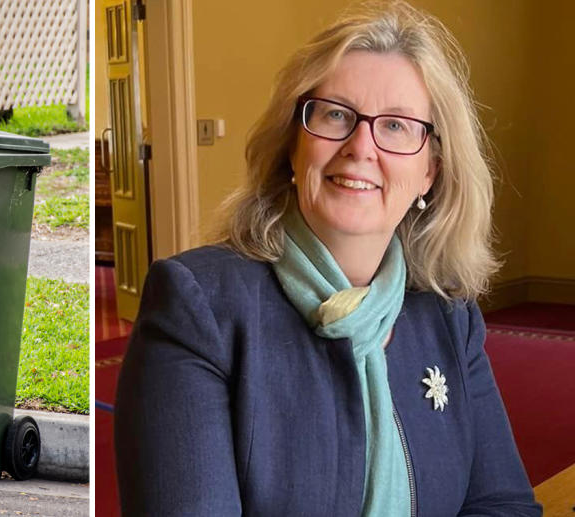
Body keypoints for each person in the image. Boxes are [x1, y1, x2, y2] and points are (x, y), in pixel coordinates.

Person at [113, 2, 542, 516]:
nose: (362, 146)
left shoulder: (450, 315)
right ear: (293, 144)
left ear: (431, 170)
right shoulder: (196, 306)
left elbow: (503, 505)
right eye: (336, 114)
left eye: (398, 126)